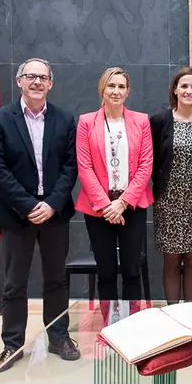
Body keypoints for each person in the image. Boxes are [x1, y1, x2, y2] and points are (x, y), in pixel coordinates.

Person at [0, 58, 81, 372]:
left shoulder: (66, 120)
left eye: (43, 77)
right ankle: (12, 345)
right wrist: (28, 206)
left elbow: (70, 168)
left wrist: (51, 204)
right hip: (15, 214)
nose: (37, 82)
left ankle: (59, 337)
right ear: (19, 81)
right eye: (30, 76)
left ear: (51, 83)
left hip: (54, 212)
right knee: (14, 283)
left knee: (56, 280)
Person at [75, 67, 154, 302]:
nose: (116, 91)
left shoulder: (141, 121)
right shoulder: (86, 122)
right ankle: (108, 328)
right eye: (111, 86)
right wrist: (106, 205)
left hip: (132, 206)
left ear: (128, 91)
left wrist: (122, 203)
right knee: (106, 273)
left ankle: (131, 330)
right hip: (98, 208)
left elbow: (145, 165)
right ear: (102, 89)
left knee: (131, 271)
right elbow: (84, 167)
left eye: (121, 86)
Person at [150, 67, 192, 303]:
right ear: (175, 90)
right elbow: (152, 159)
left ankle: (191, 313)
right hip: (168, 200)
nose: (189, 90)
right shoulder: (160, 121)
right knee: (171, 258)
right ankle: (172, 314)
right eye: (184, 86)